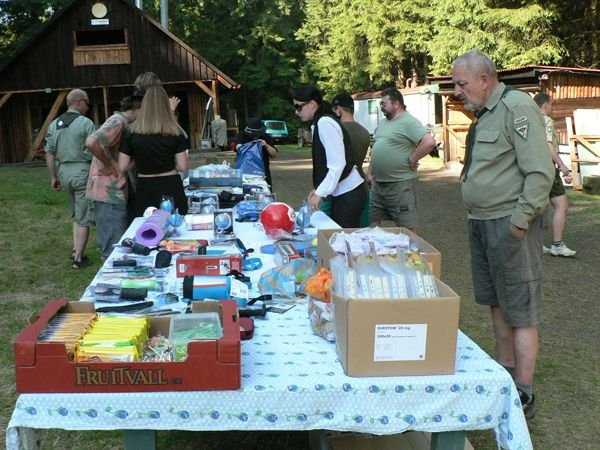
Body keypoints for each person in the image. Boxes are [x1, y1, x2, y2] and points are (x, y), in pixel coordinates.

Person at [452, 49, 555, 419]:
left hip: (509, 223)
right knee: (497, 302)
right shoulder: (485, 112)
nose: (457, 91)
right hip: (481, 221)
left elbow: (540, 172)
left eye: (462, 83)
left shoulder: (517, 107)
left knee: (521, 309)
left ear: (484, 79)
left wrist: (519, 222)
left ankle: (523, 391)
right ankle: (505, 375)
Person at [292, 84, 366, 227]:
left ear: (312, 104)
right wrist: (319, 189)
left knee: (342, 237)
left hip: (349, 193)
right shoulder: (320, 122)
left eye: (299, 107)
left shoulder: (325, 123)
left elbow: (338, 164)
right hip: (343, 193)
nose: (296, 112)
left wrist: (320, 193)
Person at [366, 87, 436, 233]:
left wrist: (412, 158)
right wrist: (370, 172)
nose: (381, 107)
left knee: (406, 228)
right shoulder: (383, 123)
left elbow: (429, 142)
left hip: (400, 184)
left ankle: (409, 249)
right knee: (373, 222)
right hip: (378, 184)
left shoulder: (408, 121)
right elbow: (377, 148)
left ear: (396, 104)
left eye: (384, 103)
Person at [85, 95, 142, 261]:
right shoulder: (118, 122)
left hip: (116, 191)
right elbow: (91, 142)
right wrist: (107, 164)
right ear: (136, 109)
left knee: (120, 241)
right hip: (108, 193)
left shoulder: (124, 124)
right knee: (112, 246)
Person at [118, 85, 189, 218]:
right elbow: (182, 166)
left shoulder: (130, 132)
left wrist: (138, 159)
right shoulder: (175, 131)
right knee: (176, 226)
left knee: (147, 227)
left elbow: (122, 166)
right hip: (171, 184)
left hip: (145, 187)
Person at [44, 89, 96, 269]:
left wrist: (53, 176)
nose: (88, 107)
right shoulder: (85, 123)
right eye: (87, 103)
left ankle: (76, 249)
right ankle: (79, 259)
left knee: (76, 214)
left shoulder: (54, 124)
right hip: (82, 172)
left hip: (64, 172)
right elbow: (95, 148)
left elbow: (49, 153)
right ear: (79, 102)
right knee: (84, 217)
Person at [533, 93, 577, 257]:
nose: (552, 108)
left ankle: (535, 243)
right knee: (561, 205)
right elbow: (548, 144)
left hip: (532, 167)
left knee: (537, 206)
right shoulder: (546, 121)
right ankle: (557, 245)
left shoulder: (530, 119)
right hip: (547, 167)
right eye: (551, 105)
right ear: (545, 105)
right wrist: (562, 165)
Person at [331, 92, 371, 226]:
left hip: (341, 189)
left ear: (339, 109)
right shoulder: (365, 132)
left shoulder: (337, 131)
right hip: (361, 186)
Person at [234, 117, 278, 189]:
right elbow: (238, 147)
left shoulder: (266, 137)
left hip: (263, 174)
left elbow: (274, 155)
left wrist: (266, 146)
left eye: (257, 135)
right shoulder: (241, 135)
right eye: (252, 135)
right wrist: (247, 146)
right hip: (243, 173)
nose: (254, 137)